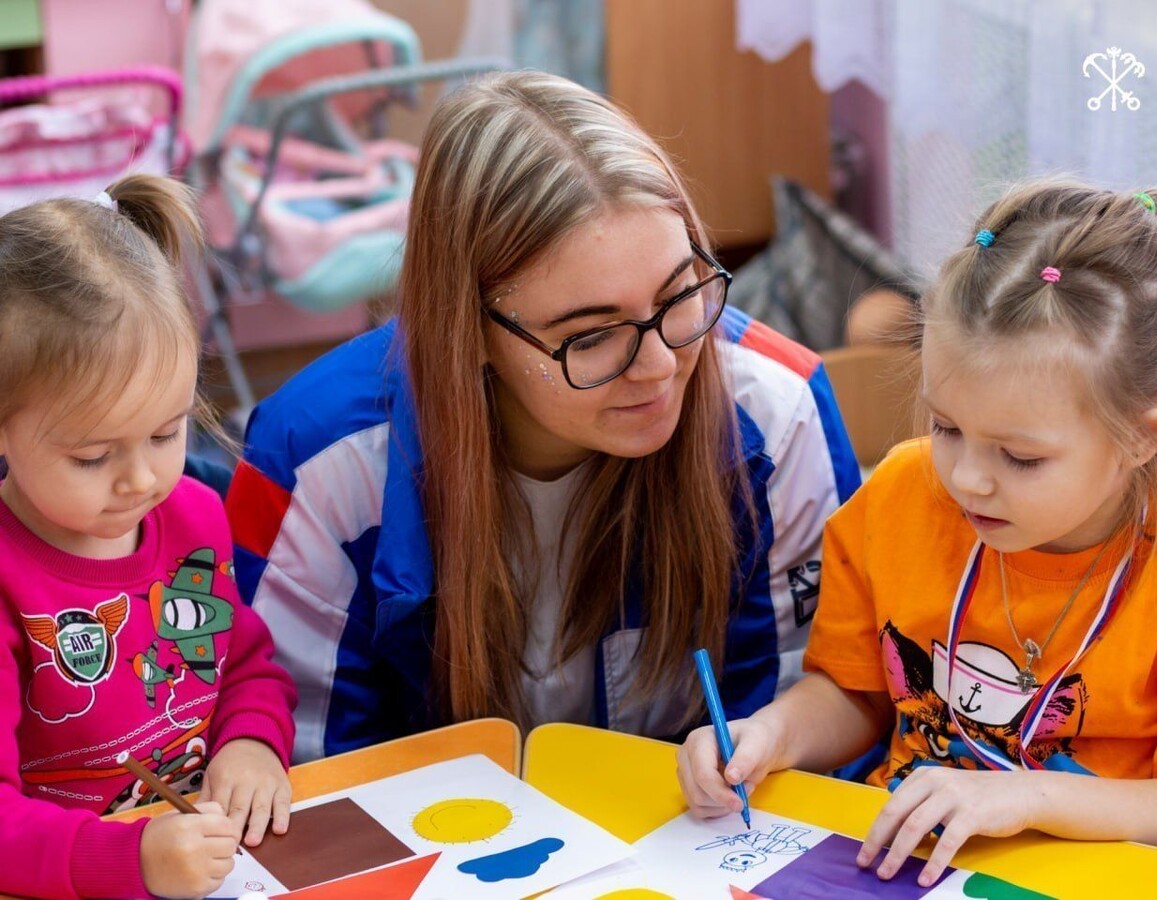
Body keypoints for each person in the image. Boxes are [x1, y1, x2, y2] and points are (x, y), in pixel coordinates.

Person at [225, 70, 860, 763]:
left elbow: (822, 707)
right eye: (592, 336)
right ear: (467, 329)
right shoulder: (316, 461)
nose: (658, 366)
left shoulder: (777, 408)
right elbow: (304, 773)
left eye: (679, 295)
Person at [677, 181, 1157, 886]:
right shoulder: (901, 494)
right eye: (946, 427)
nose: (968, 480)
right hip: (894, 865)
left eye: (1020, 457)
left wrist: (1030, 797)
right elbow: (856, 695)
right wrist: (771, 734)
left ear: (1142, 438)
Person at [0, 176, 296, 900]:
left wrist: (252, 741)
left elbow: (242, 666)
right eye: (92, 456)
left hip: (212, 866)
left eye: (167, 432)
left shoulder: (194, 517)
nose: (140, 480)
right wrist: (127, 860)